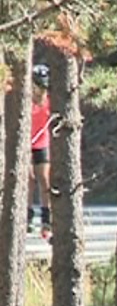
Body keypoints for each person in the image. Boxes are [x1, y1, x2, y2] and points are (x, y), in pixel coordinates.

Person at [28, 64, 56, 240]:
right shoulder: (26, 102)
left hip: (42, 143)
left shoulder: (49, 101)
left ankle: (47, 218)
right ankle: (27, 216)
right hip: (26, 144)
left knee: (44, 180)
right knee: (28, 180)